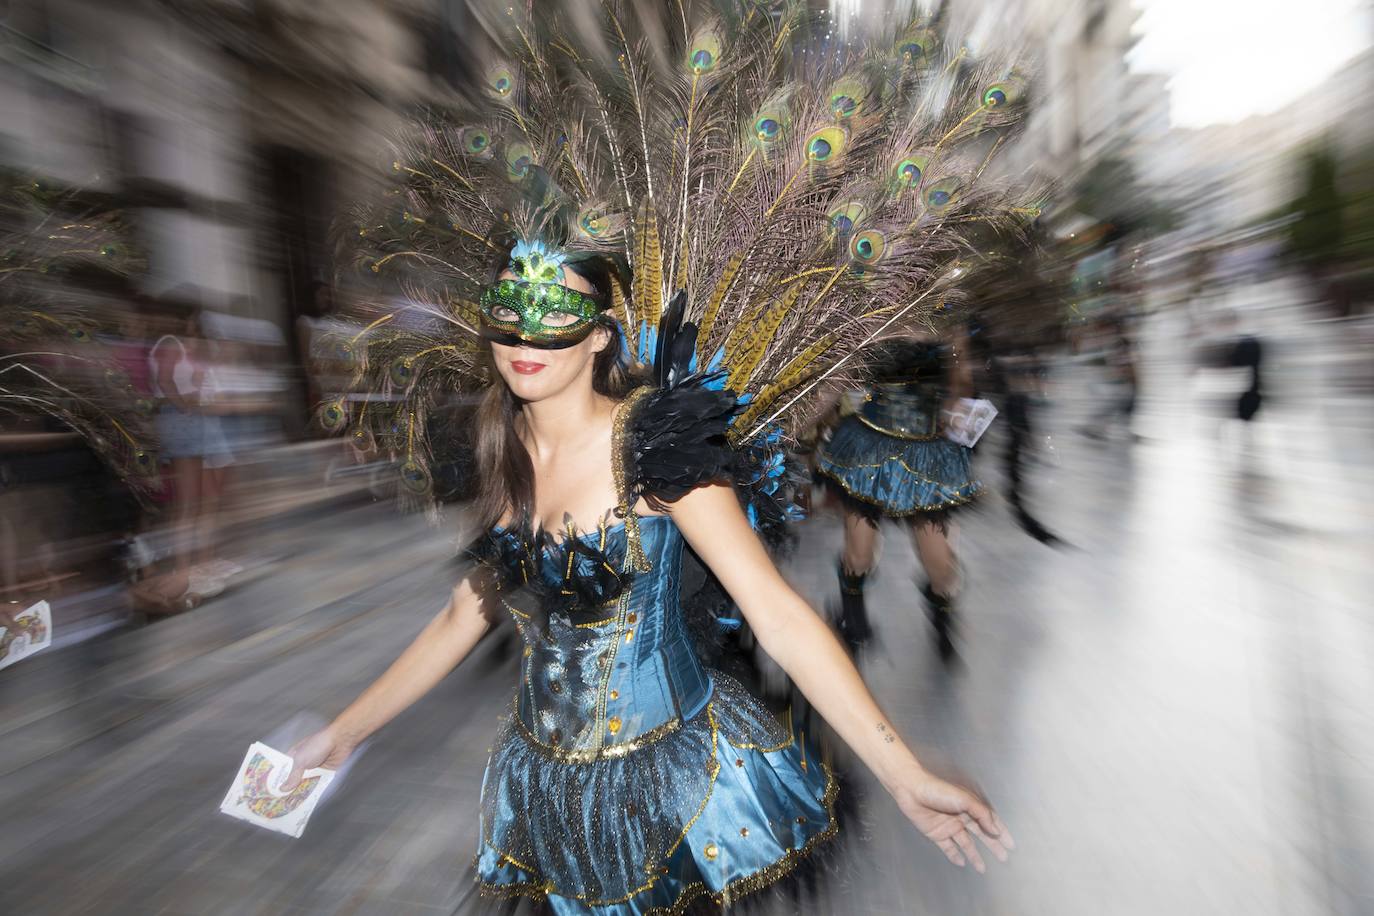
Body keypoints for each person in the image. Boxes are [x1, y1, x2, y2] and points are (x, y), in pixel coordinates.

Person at [281, 4, 1038, 910]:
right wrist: (340, 733)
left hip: (675, 791)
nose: (526, 341)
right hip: (545, 793)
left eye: (555, 319)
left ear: (602, 336)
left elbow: (780, 615)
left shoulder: (658, 446)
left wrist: (905, 771)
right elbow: (464, 612)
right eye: (508, 317)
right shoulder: (504, 443)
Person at [814, 325, 981, 658]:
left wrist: (956, 407)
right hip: (869, 451)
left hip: (927, 455)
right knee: (859, 555)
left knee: (942, 569)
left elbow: (961, 384)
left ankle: (941, 611)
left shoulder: (948, 312)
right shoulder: (877, 307)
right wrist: (805, 431)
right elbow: (838, 379)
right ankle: (852, 611)